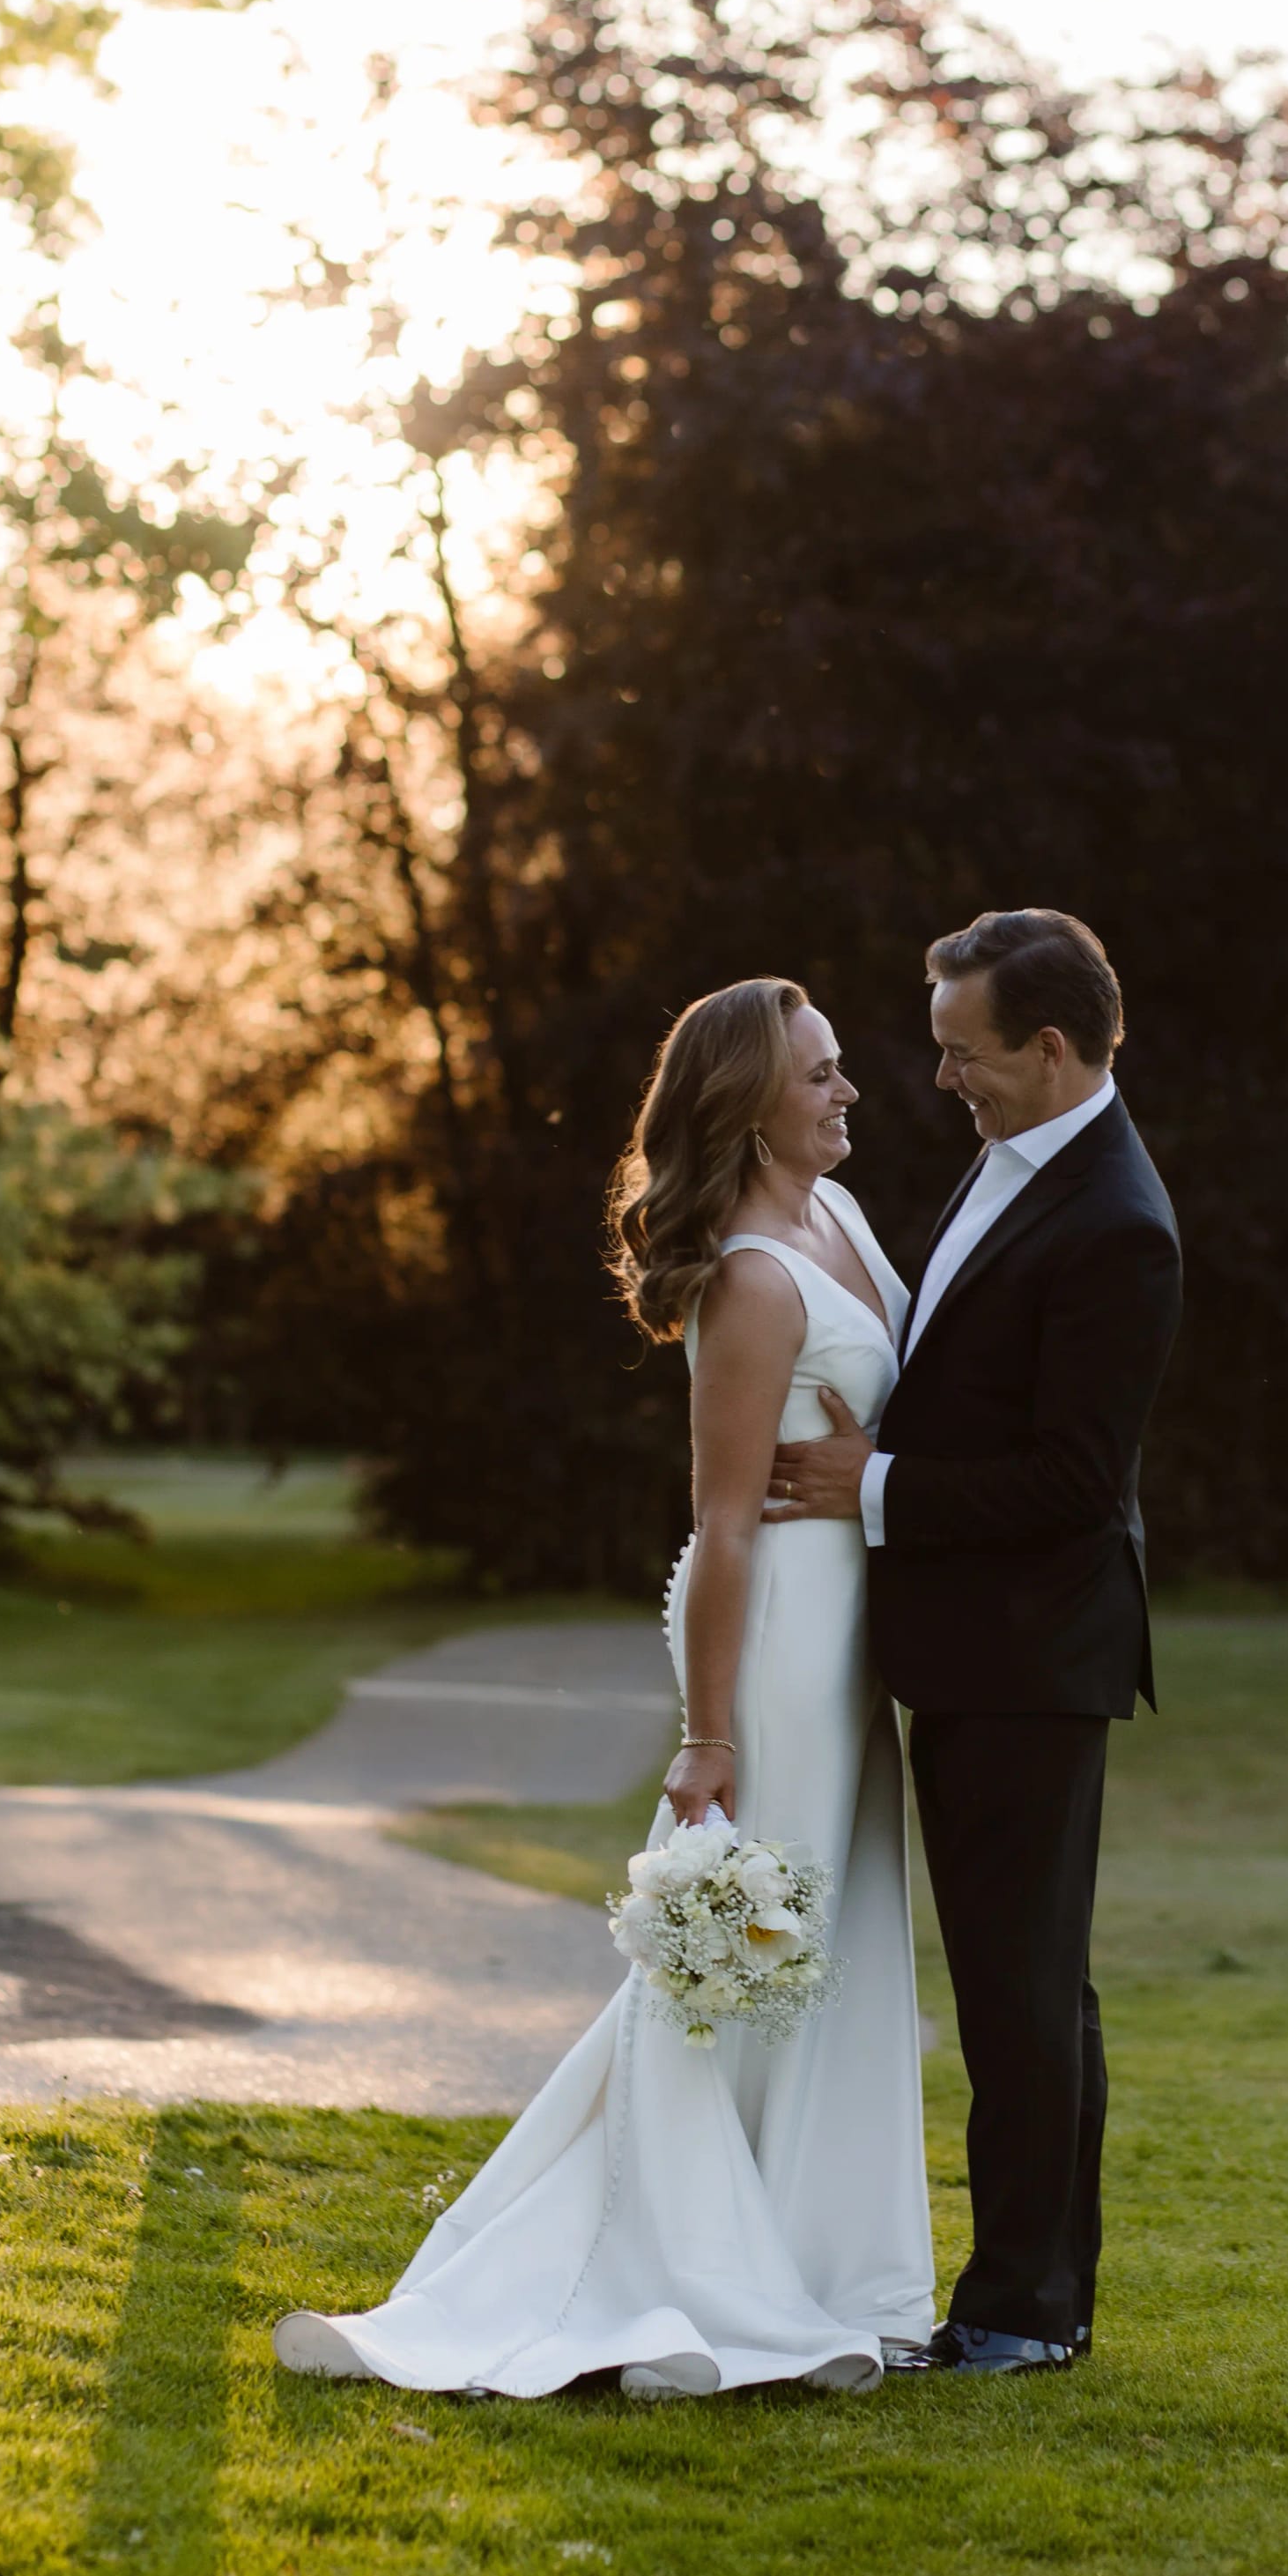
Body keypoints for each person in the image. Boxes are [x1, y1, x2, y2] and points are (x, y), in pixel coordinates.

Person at [274, 977, 934, 2401]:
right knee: (753, 1952)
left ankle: (823, 2270)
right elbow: (726, 1525)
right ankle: (683, 2273)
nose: (849, 1094)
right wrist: (708, 1734)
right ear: (749, 1104)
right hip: (779, 1652)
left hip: (854, 1642)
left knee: (834, 1945)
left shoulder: (848, 1224)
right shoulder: (755, 1277)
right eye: (820, 1077)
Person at [766, 909, 1181, 2376]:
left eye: (965, 1053)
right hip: (973, 1646)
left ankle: (1017, 2309)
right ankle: (1039, 2297)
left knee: (1017, 1990)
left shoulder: (1117, 1224)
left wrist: (870, 1485)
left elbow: (1079, 1480)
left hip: (1030, 1657)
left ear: (1051, 1048)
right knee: (1029, 1982)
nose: (941, 1079)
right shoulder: (1010, 1169)